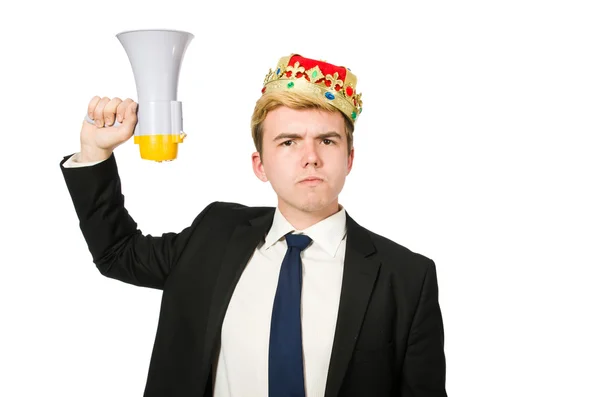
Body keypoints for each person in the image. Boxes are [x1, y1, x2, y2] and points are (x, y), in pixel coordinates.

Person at [60, 53, 448, 397]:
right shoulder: (214, 236)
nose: (310, 157)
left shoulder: (407, 279)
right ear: (259, 165)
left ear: (349, 158)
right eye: (288, 142)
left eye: (327, 141)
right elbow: (117, 254)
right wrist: (95, 151)